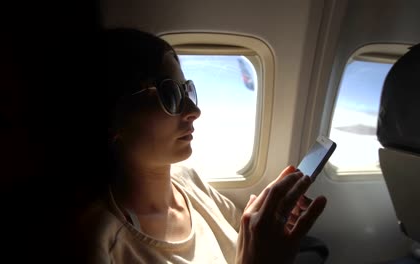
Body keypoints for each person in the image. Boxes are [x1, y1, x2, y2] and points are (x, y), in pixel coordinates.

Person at [77, 28, 327, 264]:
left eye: (188, 91)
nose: (194, 111)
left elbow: (244, 241)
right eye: (170, 95)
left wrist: (267, 224)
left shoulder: (189, 181)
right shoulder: (100, 244)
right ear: (112, 117)